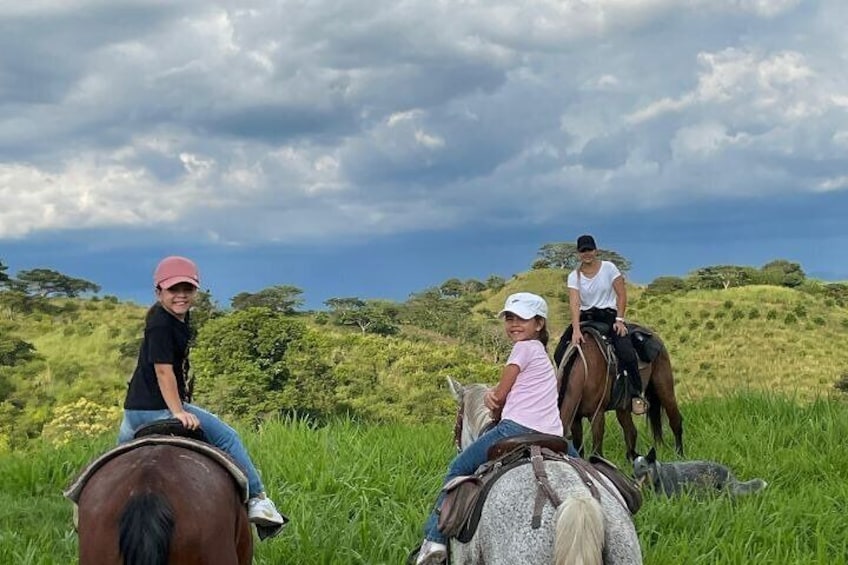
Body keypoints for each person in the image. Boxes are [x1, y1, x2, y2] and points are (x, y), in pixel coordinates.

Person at [117, 255, 287, 532]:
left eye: (187, 289)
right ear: (158, 291)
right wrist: (178, 412)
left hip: (133, 411)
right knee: (228, 437)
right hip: (157, 408)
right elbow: (164, 371)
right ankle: (258, 499)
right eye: (173, 290)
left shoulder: (174, 318)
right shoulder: (161, 323)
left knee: (113, 465)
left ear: (196, 290)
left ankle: (81, 508)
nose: (181, 296)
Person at [415, 292, 575, 565]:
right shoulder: (543, 355)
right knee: (583, 472)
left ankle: (434, 541)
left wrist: (492, 399)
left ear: (539, 324)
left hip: (514, 429)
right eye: (510, 318)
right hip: (553, 435)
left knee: (457, 468)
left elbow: (500, 396)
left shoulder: (522, 349)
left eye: (521, 319)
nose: (514, 324)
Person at [560, 234, 647, 415]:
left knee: (626, 351)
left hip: (608, 316)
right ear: (578, 253)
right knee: (559, 351)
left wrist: (620, 319)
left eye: (589, 250)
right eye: (583, 251)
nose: (587, 254)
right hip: (585, 317)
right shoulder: (573, 276)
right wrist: (576, 329)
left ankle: (635, 395)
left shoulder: (609, 268)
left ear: (596, 250)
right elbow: (574, 303)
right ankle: (562, 395)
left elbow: (621, 294)